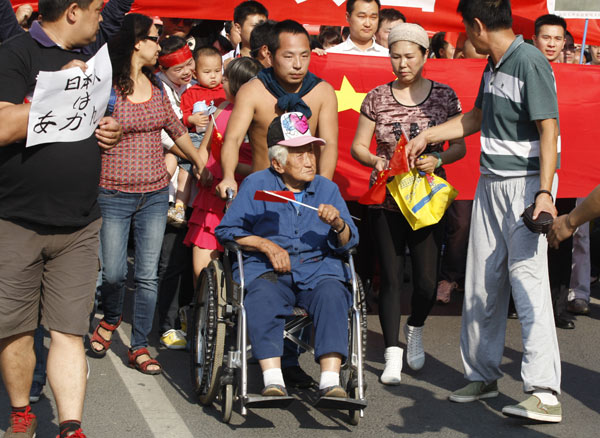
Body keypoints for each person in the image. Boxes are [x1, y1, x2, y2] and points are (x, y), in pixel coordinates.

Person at [406, 0, 563, 423]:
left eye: (465, 29)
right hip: (491, 183)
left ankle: (544, 392)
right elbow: (476, 116)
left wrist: (545, 193)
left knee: (528, 285)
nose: (465, 36)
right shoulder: (493, 65)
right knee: (482, 281)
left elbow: (550, 128)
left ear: (477, 25)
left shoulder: (529, 61)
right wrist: (429, 134)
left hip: (528, 186)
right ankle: (483, 374)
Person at [0, 0, 123, 436]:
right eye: (96, 9)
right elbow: (1, 125)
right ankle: (21, 414)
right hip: (17, 220)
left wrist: (106, 129)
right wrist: (64, 94)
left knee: (70, 330)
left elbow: (87, 125)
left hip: (80, 222)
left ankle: (71, 427)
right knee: (15, 329)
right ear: (73, 11)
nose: (101, 18)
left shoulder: (93, 59)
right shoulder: (16, 52)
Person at [351, 23, 465, 385]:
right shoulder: (376, 97)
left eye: (409, 56)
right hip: (386, 195)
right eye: (395, 56)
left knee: (427, 281)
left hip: (427, 197)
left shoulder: (445, 96)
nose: (402, 64)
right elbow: (358, 145)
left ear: (425, 56)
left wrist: (440, 160)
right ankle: (392, 353)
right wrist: (375, 161)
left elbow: (459, 144)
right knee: (390, 276)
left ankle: (415, 327)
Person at [215, 112, 359, 398]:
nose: (309, 159)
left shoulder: (326, 189)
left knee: (334, 294)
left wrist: (338, 224)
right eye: (299, 153)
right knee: (262, 296)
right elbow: (226, 230)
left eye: (311, 151)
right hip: (269, 271)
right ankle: (273, 379)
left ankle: (330, 381)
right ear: (278, 163)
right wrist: (266, 245)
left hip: (318, 270)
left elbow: (349, 241)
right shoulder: (257, 184)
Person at [89, 14, 203, 375]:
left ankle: (138, 346)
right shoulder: (105, 86)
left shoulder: (156, 87)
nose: (161, 45)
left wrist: (200, 162)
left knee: (148, 275)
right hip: (112, 194)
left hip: (155, 194)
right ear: (137, 41)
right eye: (156, 39)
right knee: (113, 273)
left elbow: (175, 128)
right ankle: (109, 319)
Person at [215, 19, 339, 198]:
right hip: (262, 192)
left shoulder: (323, 92)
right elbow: (233, 139)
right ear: (270, 56)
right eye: (288, 57)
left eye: (304, 56)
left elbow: (329, 144)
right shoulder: (252, 91)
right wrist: (228, 176)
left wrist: (324, 186)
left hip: (306, 195)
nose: (297, 64)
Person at [185, 57, 259, 283]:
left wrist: (228, 169)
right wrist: (201, 167)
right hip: (210, 197)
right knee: (202, 273)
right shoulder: (222, 108)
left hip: (243, 197)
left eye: (226, 79)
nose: (221, 84)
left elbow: (261, 166)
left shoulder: (259, 117)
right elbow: (205, 147)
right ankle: (204, 314)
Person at [154, 35, 198, 349]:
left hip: (196, 185)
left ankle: (185, 318)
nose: (186, 71)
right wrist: (190, 135)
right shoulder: (157, 89)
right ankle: (166, 325)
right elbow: (165, 136)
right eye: (179, 67)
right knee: (170, 261)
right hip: (169, 188)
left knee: (187, 258)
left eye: (189, 64)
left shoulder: (194, 87)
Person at [168, 46, 227, 225]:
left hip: (218, 138)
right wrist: (191, 119)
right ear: (195, 73)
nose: (213, 76)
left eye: (217, 71)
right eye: (207, 72)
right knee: (186, 170)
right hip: (195, 138)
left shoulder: (224, 91)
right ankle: (179, 205)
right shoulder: (190, 93)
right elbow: (182, 118)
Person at [222, 0, 268, 65]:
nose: (261, 30)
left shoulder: (274, 59)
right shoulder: (223, 63)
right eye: (255, 26)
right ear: (238, 28)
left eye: (264, 26)